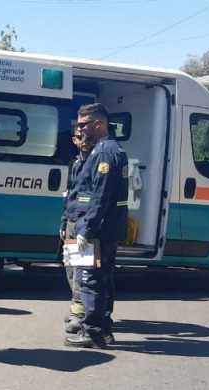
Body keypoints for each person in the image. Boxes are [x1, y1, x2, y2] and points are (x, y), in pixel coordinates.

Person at [64, 103, 129, 349]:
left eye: (83, 125)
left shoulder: (104, 152)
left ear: (98, 124)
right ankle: (103, 329)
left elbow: (100, 196)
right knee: (99, 278)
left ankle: (92, 332)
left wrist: (86, 229)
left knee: (90, 279)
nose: (80, 130)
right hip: (102, 227)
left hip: (98, 230)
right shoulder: (100, 151)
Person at [61, 128, 92, 335]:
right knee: (71, 269)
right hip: (72, 220)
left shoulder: (95, 162)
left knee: (82, 271)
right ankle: (77, 309)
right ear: (74, 140)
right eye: (79, 137)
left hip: (84, 223)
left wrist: (85, 225)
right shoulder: (76, 163)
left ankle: (80, 316)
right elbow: (70, 194)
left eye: (86, 137)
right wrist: (64, 222)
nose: (83, 141)